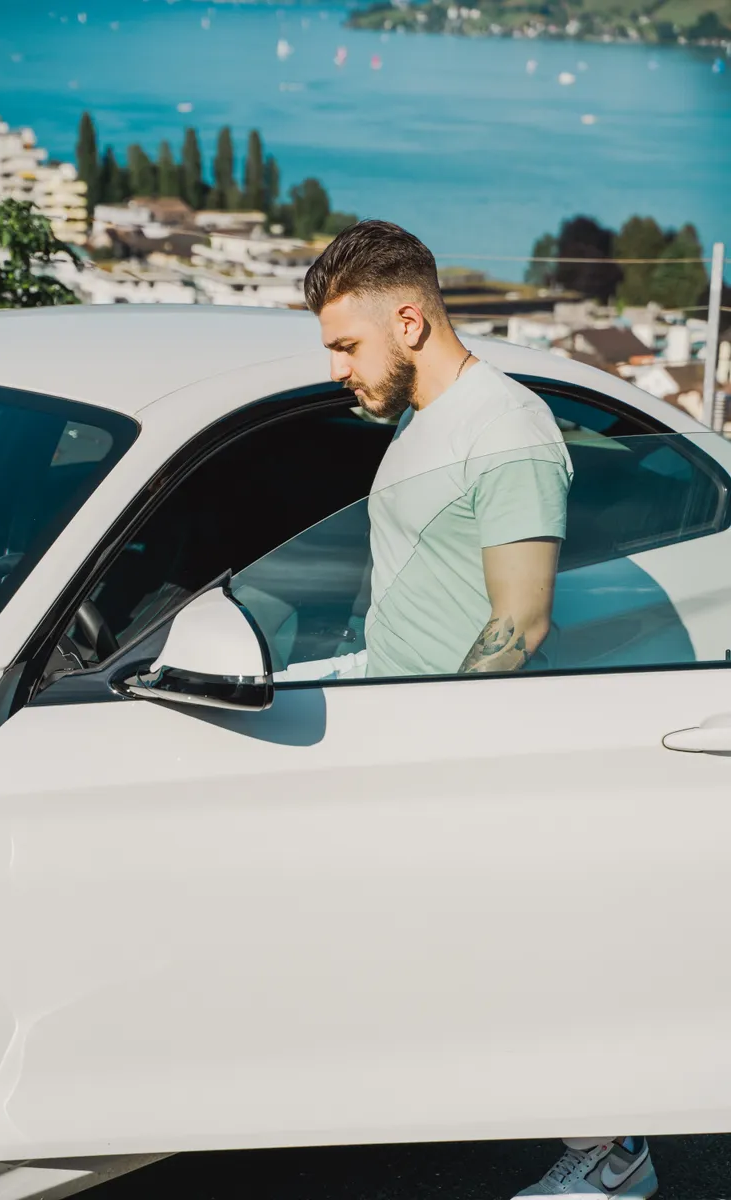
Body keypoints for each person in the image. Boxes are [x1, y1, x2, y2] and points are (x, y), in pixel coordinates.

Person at [303, 220, 658, 1200]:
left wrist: (435, 750)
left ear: (407, 319)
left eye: (345, 344)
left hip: (459, 753)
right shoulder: (434, 419)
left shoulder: (503, 427)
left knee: (519, 968)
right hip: (397, 732)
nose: (336, 367)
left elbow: (519, 620)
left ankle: (611, 1157)